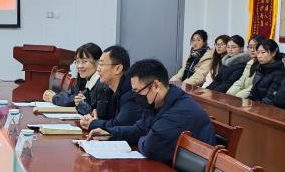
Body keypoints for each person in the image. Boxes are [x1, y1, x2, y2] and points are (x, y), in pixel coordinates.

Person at [87, 58, 216, 163]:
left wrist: (144, 137)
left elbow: (151, 147)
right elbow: (139, 130)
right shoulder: (156, 103)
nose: (136, 95)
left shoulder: (181, 111)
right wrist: (109, 133)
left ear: (155, 86)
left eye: (138, 91)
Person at [79, 45, 142, 134]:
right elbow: (104, 118)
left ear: (118, 68)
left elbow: (120, 125)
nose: (98, 69)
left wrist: (94, 123)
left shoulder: (131, 92)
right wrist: (92, 119)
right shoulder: (108, 89)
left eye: (101, 64)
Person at [43, 42, 102, 113]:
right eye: (77, 62)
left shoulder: (102, 84)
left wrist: (54, 98)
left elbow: (75, 101)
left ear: (98, 62)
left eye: (84, 61)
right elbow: (72, 95)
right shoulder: (84, 79)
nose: (79, 66)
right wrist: (55, 97)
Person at [247, 38, 285, 103]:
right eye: (258, 53)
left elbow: (270, 99)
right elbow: (253, 92)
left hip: (266, 106)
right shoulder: (260, 67)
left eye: (263, 52)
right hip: (256, 104)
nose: (259, 56)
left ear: (273, 53)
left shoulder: (280, 72)